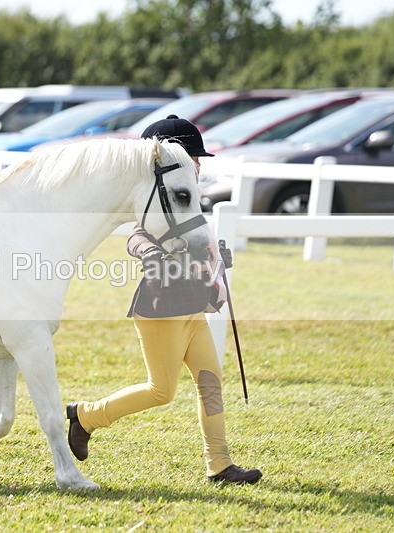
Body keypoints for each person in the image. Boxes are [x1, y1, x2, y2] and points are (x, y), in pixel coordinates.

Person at [66, 115, 262, 485]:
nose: (199, 164)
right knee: (161, 391)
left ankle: (219, 465)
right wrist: (150, 253)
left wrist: (215, 256)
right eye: (193, 156)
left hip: (194, 308)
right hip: (161, 310)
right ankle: (87, 416)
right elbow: (137, 235)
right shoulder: (158, 199)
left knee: (210, 383)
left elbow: (196, 239)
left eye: (198, 159)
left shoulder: (186, 193)